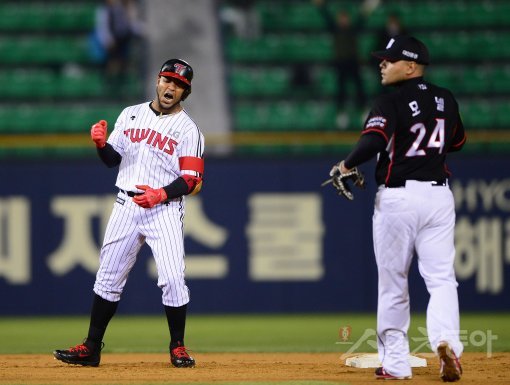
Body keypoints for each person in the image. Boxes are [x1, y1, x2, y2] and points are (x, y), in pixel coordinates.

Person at [326, 35, 466, 381]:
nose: (382, 64)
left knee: (393, 283)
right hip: (438, 196)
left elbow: (373, 140)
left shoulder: (390, 102)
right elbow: (458, 141)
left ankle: (397, 364)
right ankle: (447, 341)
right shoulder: (446, 99)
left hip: (399, 198)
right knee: (442, 278)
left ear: (411, 66)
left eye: (390, 60)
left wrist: (346, 165)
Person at [53, 58, 204, 369]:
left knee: (173, 278)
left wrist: (161, 193)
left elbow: (192, 179)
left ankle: (178, 346)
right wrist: (99, 144)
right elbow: (113, 159)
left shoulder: (188, 129)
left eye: (178, 85)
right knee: (108, 278)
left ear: (185, 92)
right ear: (158, 80)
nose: (170, 87)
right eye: (167, 80)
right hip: (126, 205)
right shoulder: (130, 114)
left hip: (163, 208)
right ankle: (91, 347)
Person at [311, 0, 373, 128]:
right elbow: (326, 16)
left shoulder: (353, 29)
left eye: (345, 18)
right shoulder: (335, 29)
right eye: (341, 18)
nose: (343, 20)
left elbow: (362, 17)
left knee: (359, 89)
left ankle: (364, 112)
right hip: (340, 64)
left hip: (353, 62)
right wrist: (321, 5)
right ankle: (341, 114)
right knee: (341, 90)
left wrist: (370, 5)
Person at [93, 0, 145, 87]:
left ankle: (122, 81)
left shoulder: (121, 8)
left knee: (123, 61)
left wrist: (141, 30)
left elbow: (128, 24)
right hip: (112, 43)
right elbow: (103, 27)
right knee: (114, 62)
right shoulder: (105, 10)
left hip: (122, 40)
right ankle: (111, 82)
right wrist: (109, 41)